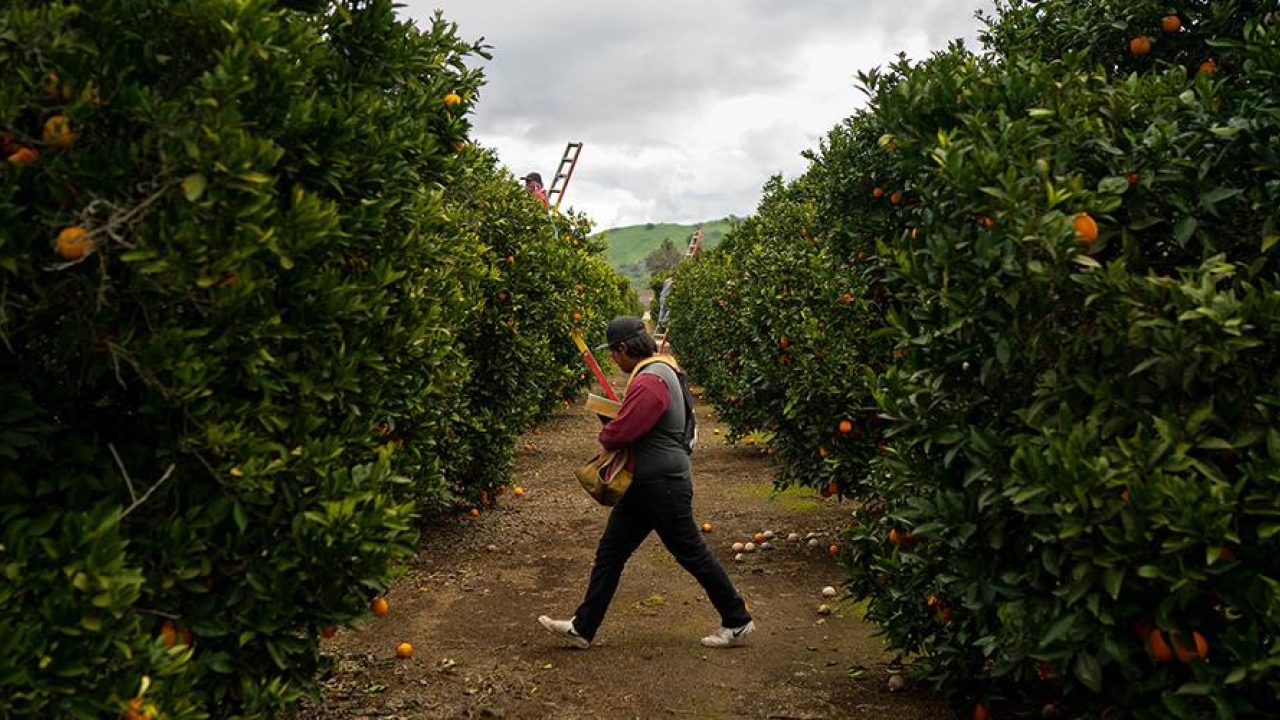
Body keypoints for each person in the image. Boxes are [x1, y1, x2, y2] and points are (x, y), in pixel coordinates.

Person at [538, 317, 755, 649]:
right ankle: (584, 627)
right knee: (611, 553)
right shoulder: (661, 370)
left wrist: (608, 430)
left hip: (662, 486)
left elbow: (625, 430)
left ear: (624, 349)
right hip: (646, 485)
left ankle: (737, 619)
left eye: (614, 354)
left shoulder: (652, 380)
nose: (614, 361)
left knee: (691, 553)